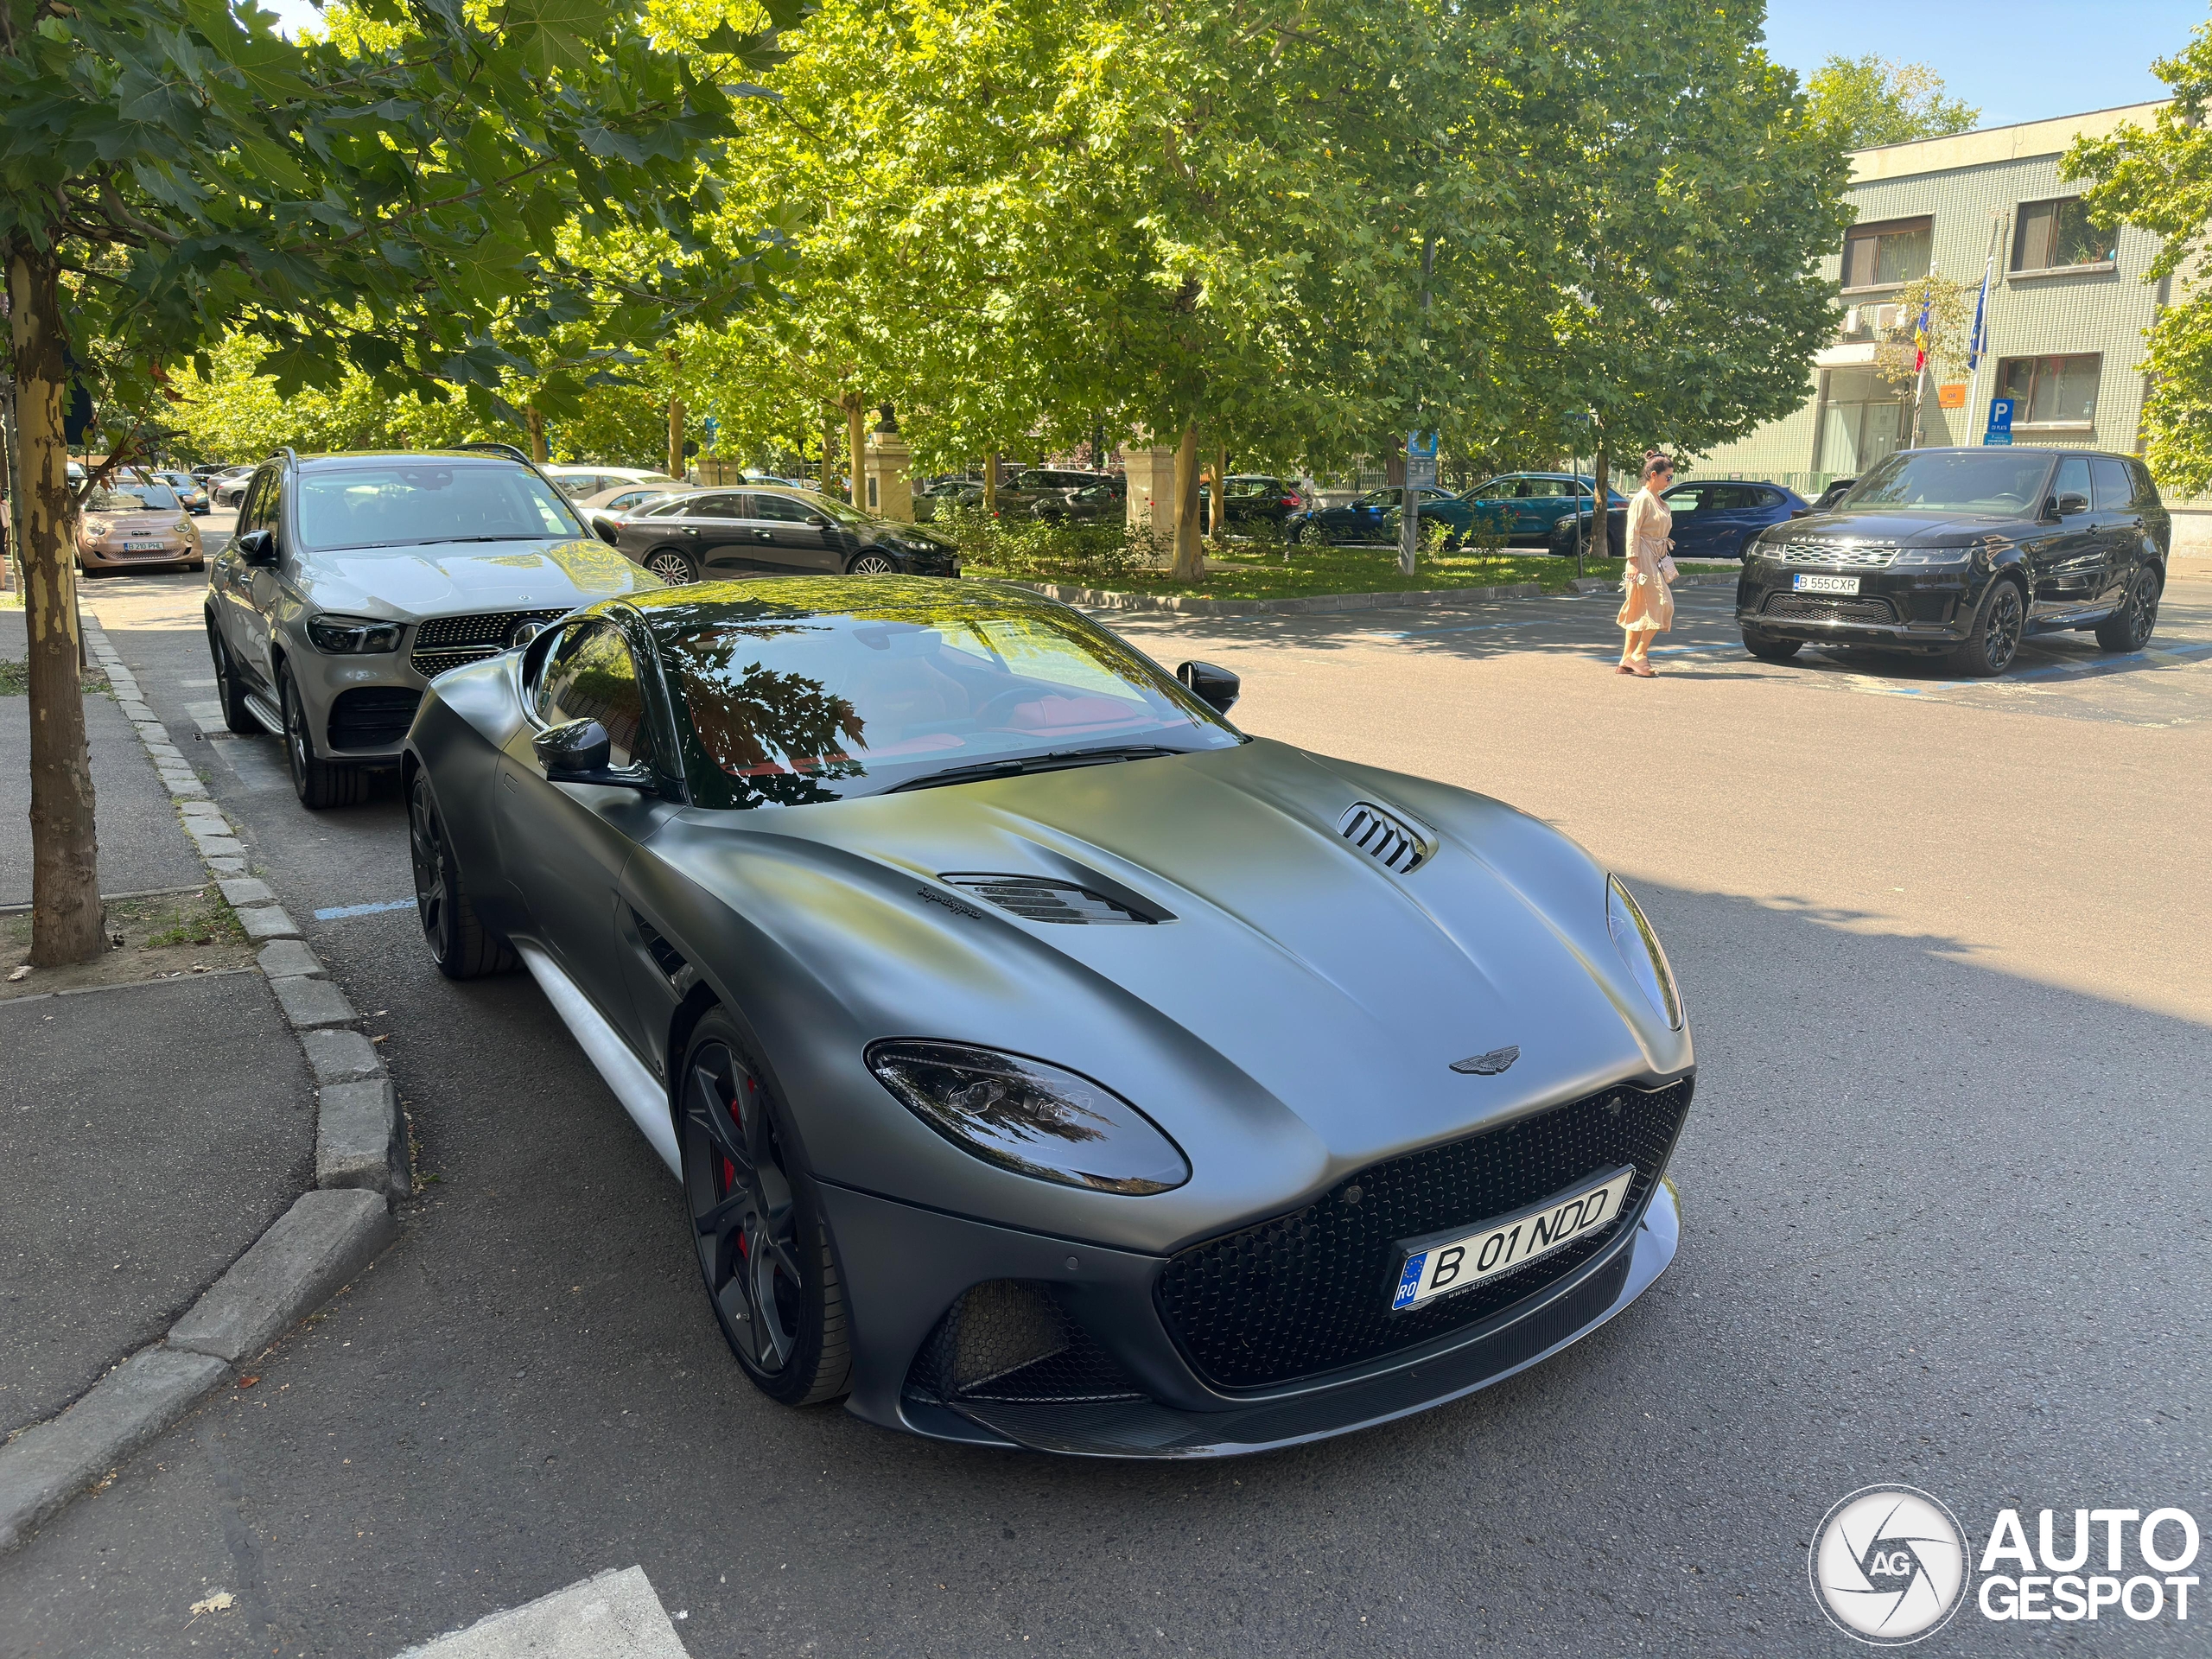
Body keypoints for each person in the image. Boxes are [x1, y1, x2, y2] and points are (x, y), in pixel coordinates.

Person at [1617, 452, 1677, 677]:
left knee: (1640, 607)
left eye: (1671, 477)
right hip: (1642, 558)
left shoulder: (1659, 501)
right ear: (1654, 475)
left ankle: (1626, 659)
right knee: (1663, 603)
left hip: (1656, 557)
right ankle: (1639, 654)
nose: (1670, 481)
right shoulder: (1642, 499)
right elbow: (1632, 531)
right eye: (1668, 477)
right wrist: (1632, 562)